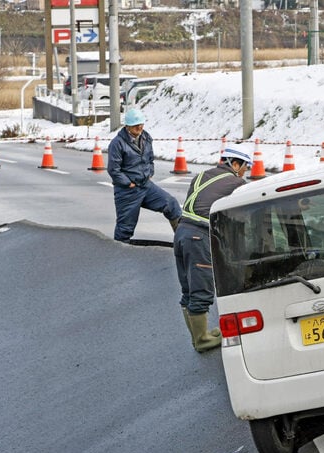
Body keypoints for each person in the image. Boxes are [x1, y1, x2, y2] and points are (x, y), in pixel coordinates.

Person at [175, 146, 253, 352]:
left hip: (182, 233)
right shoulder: (236, 183)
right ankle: (202, 340)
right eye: (245, 167)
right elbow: (237, 220)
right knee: (202, 287)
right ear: (235, 164)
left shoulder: (201, 175)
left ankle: (197, 337)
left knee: (188, 288)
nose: (245, 172)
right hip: (199, 236)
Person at [106, 107, 182, 242]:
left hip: (146, 186)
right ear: (128, 126)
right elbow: (113, 169)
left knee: (172, 205)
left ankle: (183, 242)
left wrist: (150, 172)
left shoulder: (146, 137)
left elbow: (150, 159)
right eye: (136, 125)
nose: (139, 127)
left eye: (141, 124)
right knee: (125, 229)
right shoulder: (117, 143)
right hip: (127, 191)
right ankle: (119, 255)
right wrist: (128, 183)